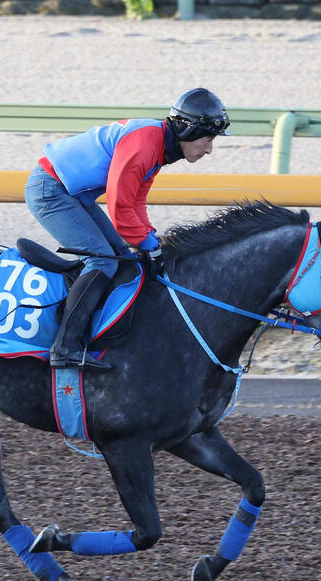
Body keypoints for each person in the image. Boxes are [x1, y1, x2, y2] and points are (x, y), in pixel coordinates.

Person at [25, 88, 230, 371]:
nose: (208, 149)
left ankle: (102, 334)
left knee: (124, 256)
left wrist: (150, 238)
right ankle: (64, 347)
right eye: (207, 140)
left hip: (70, 194)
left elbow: (136, 201)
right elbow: (120, 207)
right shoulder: (146, 144)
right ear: (186, 130)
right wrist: (148, 244)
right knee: (102, 259)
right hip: (50, 191)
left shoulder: (159, 146)